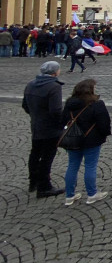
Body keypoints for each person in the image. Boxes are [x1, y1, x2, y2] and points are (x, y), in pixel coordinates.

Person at [61, 79, 111, 205]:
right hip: (91, 140)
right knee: (90, 166)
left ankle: (69, 196)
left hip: (72, 139)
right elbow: (104, 124)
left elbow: (62, 120)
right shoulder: (96, 104)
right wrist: (104, 134)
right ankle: (92, 194)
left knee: (72, 165)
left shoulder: (69, 104)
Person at [22, 61, 65, 198]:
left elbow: (25, 105)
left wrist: (35, 115)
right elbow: (56, 111)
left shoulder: (30, 84)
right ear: (54, 72)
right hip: (50, 128)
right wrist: (62, 124)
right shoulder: (54, 87)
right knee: (47, 156)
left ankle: (33, 181)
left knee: (35, 153)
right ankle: (44, 187)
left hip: (36, 125)